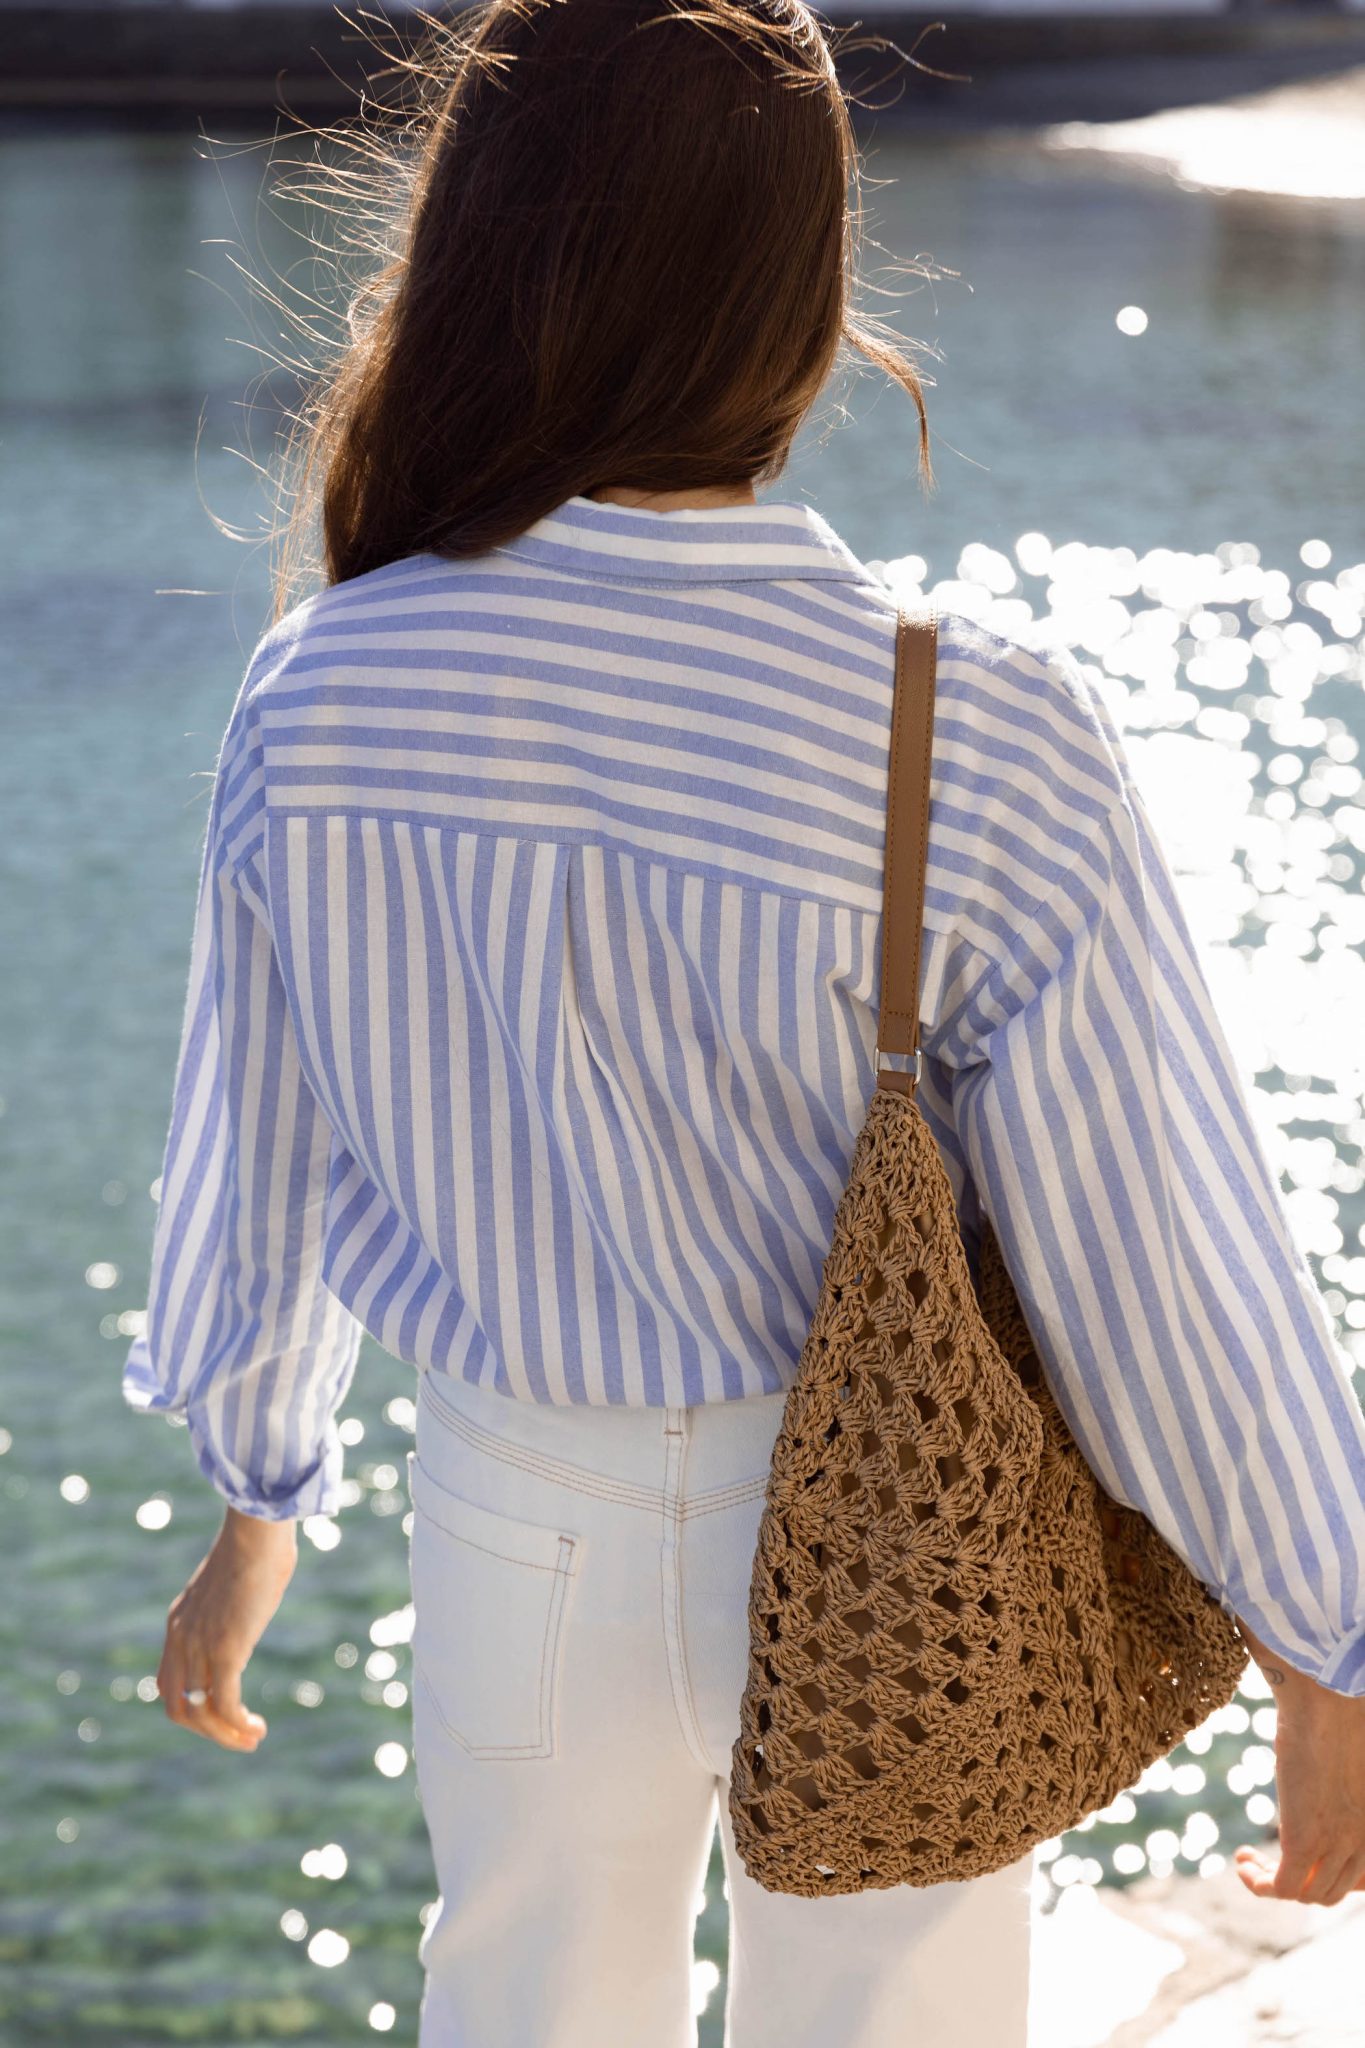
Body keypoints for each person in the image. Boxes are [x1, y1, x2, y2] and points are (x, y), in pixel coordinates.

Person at [123, 1, 1365, 2042]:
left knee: (522, 2004)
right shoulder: (974, 731)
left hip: (516, 1507)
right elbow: (1156, 1249)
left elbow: (255, 1158)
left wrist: (259, 1498)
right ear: (804, 293)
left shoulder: (326, 686)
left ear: (480, 255)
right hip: (902, 1504)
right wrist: (1324, 1628)